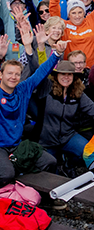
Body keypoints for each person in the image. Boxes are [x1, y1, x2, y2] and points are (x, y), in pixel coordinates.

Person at [0, 39, 67, 185]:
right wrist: (0, 58)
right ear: (1, 75)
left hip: (17, 145)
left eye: (17, 74)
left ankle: (43, 197)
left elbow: (41, 72)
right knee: (6, 174)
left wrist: (57, 53)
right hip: (0, 147)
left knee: (50, 161)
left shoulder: (23, 89)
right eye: (9, 73)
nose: (13, 77)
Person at [39, 59, 94, 173]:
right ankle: (59, 168)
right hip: (47, 140)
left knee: (89, 153)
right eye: (63, 74)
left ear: (74, 76)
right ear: (56, 75)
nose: (66, 77)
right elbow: (36, 69)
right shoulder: (47, 88)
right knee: (50, 168)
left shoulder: (78, 92)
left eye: (69, 74)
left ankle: (68, 164)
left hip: (67, 136)